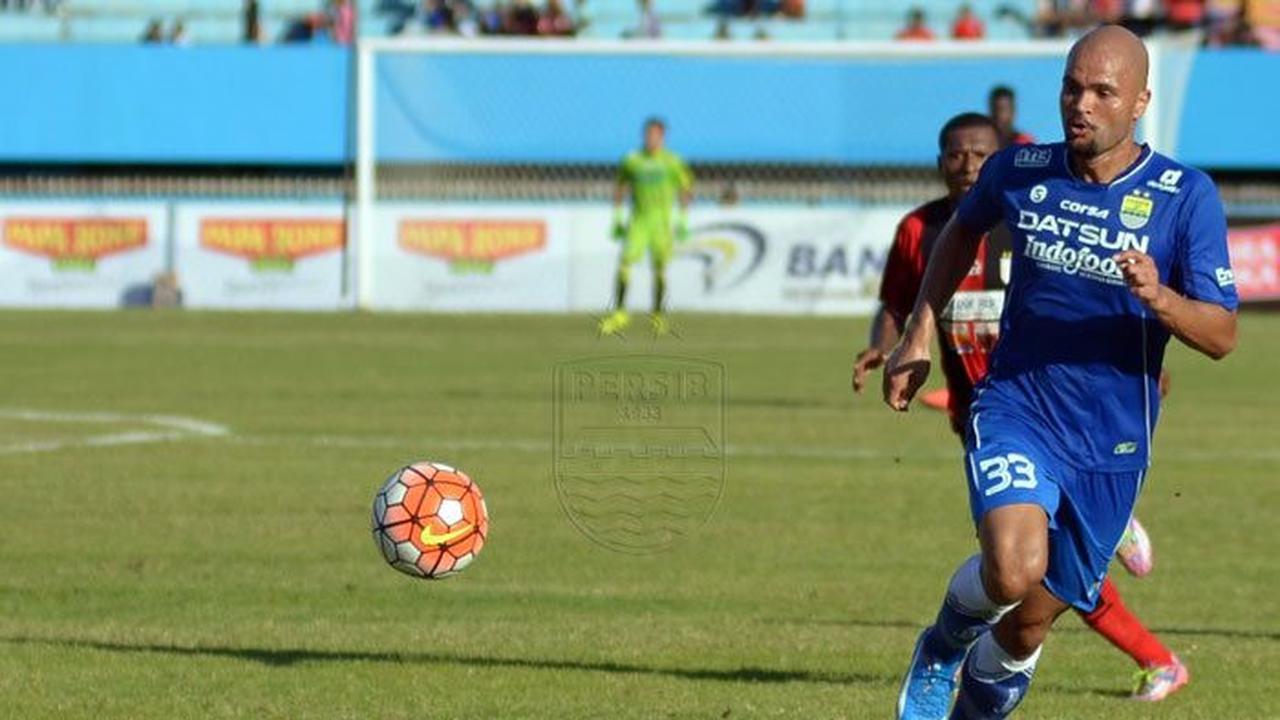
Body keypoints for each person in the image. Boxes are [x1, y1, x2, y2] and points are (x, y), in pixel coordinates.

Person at [885, 25, 1238, 719]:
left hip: (1113, 444)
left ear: (1140, 102)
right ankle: (944, 644)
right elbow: (961, 231)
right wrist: (918, 332)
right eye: (1072, 88)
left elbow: (1222, 335)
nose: (1082, 105)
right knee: (1012, 569)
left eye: (1103, 92)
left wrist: (1161, 298)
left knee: (1027, 626)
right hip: (1017, 407)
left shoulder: (1185, 195)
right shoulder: (1019, 169)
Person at [852, 112, 1187, 704]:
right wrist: (887, 345)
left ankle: (1153, 651)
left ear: (1000, 158)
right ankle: (1146, 641)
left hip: (1067, 418)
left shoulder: (1034, 219)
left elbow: (1087, 302)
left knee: (1038, 571)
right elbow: (897, 304)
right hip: (990, 418)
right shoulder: (920, 231)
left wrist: (1140, 364)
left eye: (980, 155)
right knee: (1019, 567)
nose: (968, 166)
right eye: (955, 154)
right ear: (939, 161)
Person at [598, 118, 693, 337]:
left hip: (661, 224)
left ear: (663, 137)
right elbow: (620, 186)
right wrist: (617, 218)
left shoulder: (672, 161)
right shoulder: (632, 160)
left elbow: (685, 190)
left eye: (656, 135)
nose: (651, 139)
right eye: (648, 134)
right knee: (625, 263)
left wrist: (683, 220)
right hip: (638, 221)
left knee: (659, 269)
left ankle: (658, 314)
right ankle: (620, 313)